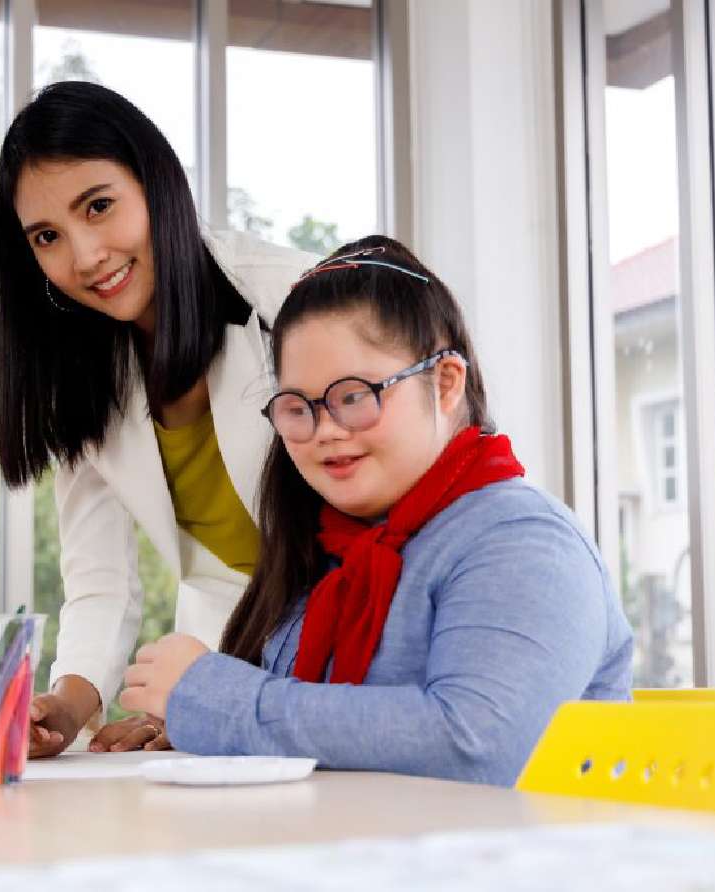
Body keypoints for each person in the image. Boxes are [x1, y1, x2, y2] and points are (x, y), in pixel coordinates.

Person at [118, 236, 633, 785]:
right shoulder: (330, 548)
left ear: (446, 383)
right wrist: (199, 722)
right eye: (298, 408)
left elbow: (476, 744)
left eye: (354, 396)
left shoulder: (524, 542)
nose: (325, 432)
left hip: (520, 864)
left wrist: (215, 700)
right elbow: (317, 729)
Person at [0, 81, 313, 757]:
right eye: (48, 236)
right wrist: (68, 705)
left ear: (156, 182)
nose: (85, 256)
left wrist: (221, 700)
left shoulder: (294, 302)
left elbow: (373, 538)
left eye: (100, 206)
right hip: (226, 656)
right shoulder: (83, 377)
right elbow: (100, 579)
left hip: (351, 660)